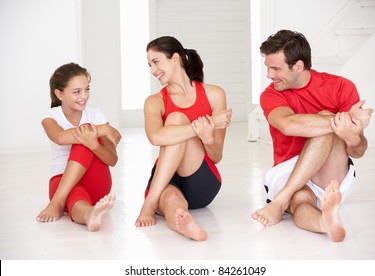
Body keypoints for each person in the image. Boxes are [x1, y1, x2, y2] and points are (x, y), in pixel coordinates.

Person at [251, 30, 373, 242]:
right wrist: (345, 119)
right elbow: (288, 125)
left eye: (275, 68)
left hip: (330, 169)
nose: (269, 75)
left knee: (326, 120)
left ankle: (279, 202)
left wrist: (352, 135)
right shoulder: (271, 94)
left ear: (298, 66)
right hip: (288, 168)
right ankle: (324, 222)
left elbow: (358, 150)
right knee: (300, 200)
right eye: (267, 68)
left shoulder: (341, 87)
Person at [135, 36, 232, 241]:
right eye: (149, 65)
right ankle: (185, 225)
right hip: (165, 180)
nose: (152, 70)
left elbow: (216, 156)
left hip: (200, 180)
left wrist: (207, 138)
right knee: (172, 201)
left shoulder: (214, 94)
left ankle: (149, 204)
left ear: (175, 59)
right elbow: (155, 137)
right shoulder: (154, 101)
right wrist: (204, 125)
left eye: (156, 62)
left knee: (176, 117)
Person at [36, 62, 121, 232]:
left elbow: (112, 160)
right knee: (76, 197)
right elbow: (60, 138)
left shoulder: (96, 115)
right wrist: (102, 129)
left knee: (85, 141)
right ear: (59, 94)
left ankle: (57, 203)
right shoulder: (50, 117)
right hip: (62, 184)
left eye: (87, 89)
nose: (84, 96)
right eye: (76, 92)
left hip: (96, 182)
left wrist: (94, 145)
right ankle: (90, 214)